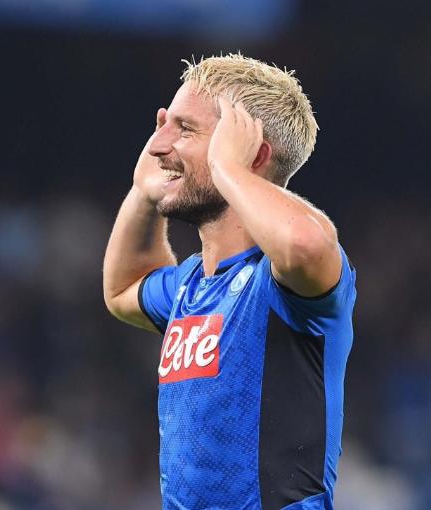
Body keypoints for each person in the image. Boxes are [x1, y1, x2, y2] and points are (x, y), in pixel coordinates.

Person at [103, 53, 356, 510]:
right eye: (163, 125)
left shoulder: (279, 284)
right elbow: (123, 290)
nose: (159, 145)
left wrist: (229, 171)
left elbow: (303, 244)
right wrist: (143, 193)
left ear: (253, 154)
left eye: (185, 129)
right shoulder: (190, 286)